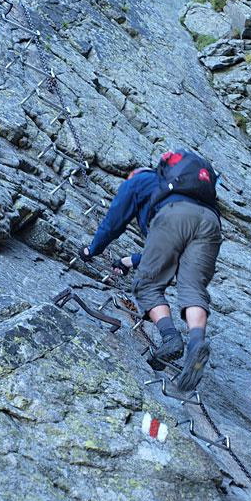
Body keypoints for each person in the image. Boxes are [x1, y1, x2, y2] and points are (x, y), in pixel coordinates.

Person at [79, 150, 222, 391]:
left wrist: (92, 250)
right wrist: (128, 261)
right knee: (193, 288)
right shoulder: (184, 188)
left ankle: (170, 338)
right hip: (210, 222)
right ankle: (196, 342)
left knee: (148, 285)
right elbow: (168, 253)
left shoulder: (137, 182)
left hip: (174, 217)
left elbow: (113, 223)